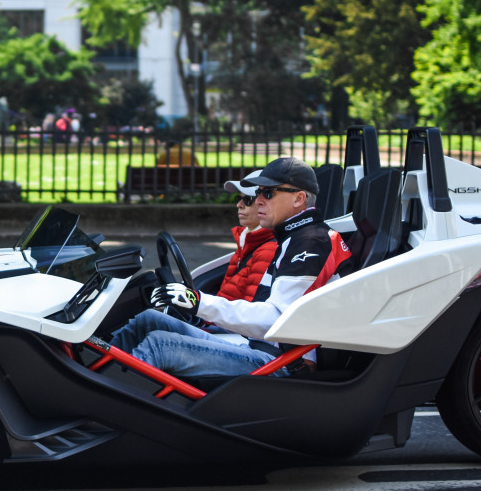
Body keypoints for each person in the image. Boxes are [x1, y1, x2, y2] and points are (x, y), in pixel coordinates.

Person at [109, 156, 354, 379]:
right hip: (262, 347)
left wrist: (198, 302)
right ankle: (96, 384)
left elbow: (276, 321)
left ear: (299, 198)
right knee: (148, 320)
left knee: (160, 344)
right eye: (257, 193)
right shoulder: (296, 236)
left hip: (283, 363)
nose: (257, 201)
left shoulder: (311, 241)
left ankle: (108, 411)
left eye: (268, 194)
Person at [216, 173, 277, 302]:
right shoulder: (246, 241)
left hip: (225, 320)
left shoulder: (268, 249)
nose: (239, 205)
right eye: (239, 198)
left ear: (264, 203)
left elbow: (251, 308)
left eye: (248, 200)